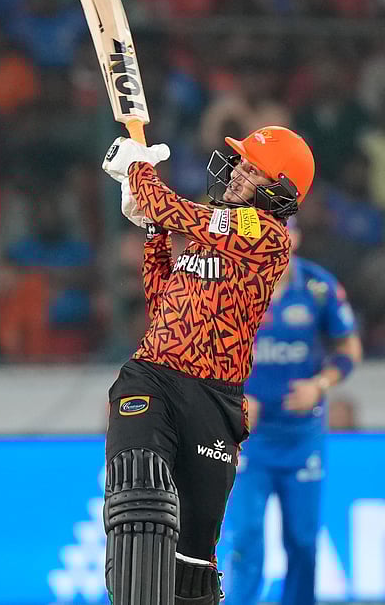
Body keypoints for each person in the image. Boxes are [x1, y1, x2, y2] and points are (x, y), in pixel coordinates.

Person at [100, 126, 315, 605]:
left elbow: (175, 210)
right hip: (153, 375)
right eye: (242, 163)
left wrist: (139, 173)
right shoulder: (215, 230)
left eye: (254, 170)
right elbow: (164, 302)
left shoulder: (266, 234)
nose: (238, 172)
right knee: (140, 493)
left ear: (280, 190)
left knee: (194, 563)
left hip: (214, 401)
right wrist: (153, 230)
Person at [224, 217, 363, 605]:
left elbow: (349, 349)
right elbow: (205, 351)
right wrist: (233, 397)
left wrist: (319, 386)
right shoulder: (233, 283)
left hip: (302, 435)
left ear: (295, 237)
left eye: (283, 231)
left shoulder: (318, 287)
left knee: (302, 541)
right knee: (245, 538)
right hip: (247, 438)